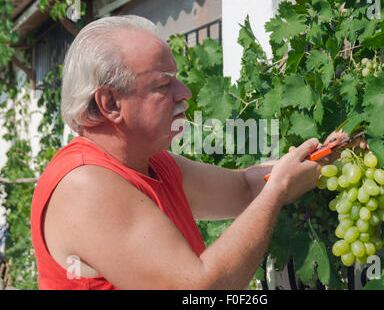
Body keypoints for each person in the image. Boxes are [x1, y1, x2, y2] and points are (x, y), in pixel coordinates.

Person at [31, 15, 362, 290]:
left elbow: (244, 187)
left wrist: (325, 155)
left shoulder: (154, 165)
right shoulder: (86, 186)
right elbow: (199, 289)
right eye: (163, 86)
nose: (184, 92)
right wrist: (275, 192)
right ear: (110, 103)